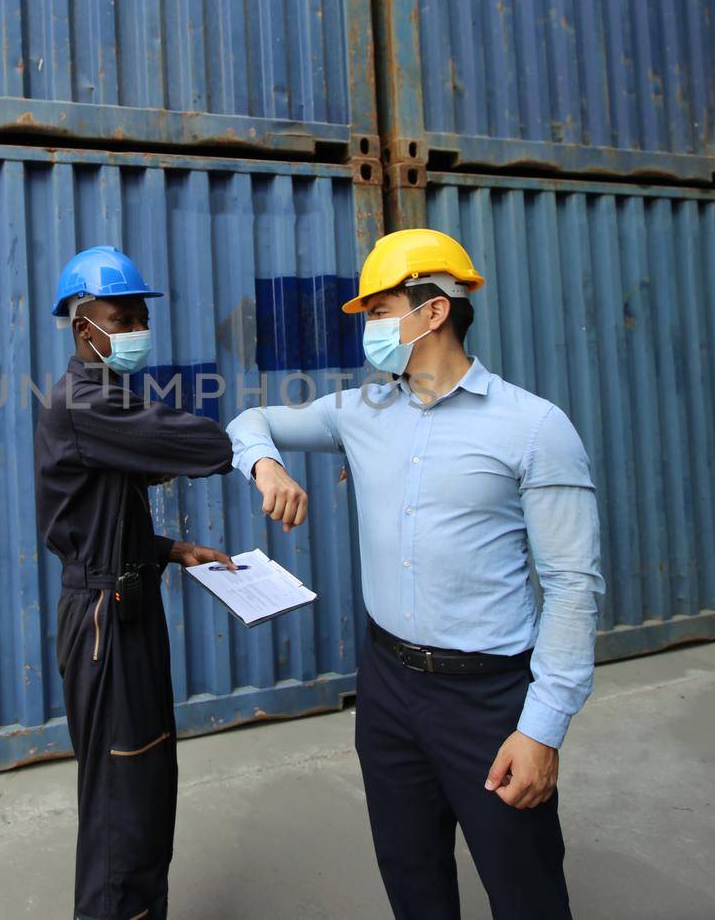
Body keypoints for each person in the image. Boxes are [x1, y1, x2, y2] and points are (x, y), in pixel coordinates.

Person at [226, 229, 604, 920]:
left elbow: (574, 586)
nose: (369, 327)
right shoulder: (360, 412)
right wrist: (266, 464)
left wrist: (542, 728)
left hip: (488, 700)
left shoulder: (534, 428)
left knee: (525, 889)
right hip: (389, 688)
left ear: (432, 313)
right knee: (411, 874)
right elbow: (249, 419)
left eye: (378, 310)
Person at [34, 245, 236, 920]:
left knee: (146, 782)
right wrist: (255, 445)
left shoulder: (107, 397)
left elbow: (100, 517)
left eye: (140, 316)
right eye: (121, 318)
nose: (135, 329)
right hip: (103, 620)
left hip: (127, 598)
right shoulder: (85, 402)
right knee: (124, 800)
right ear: (81, 325)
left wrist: (175, 549)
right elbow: (198, 444)